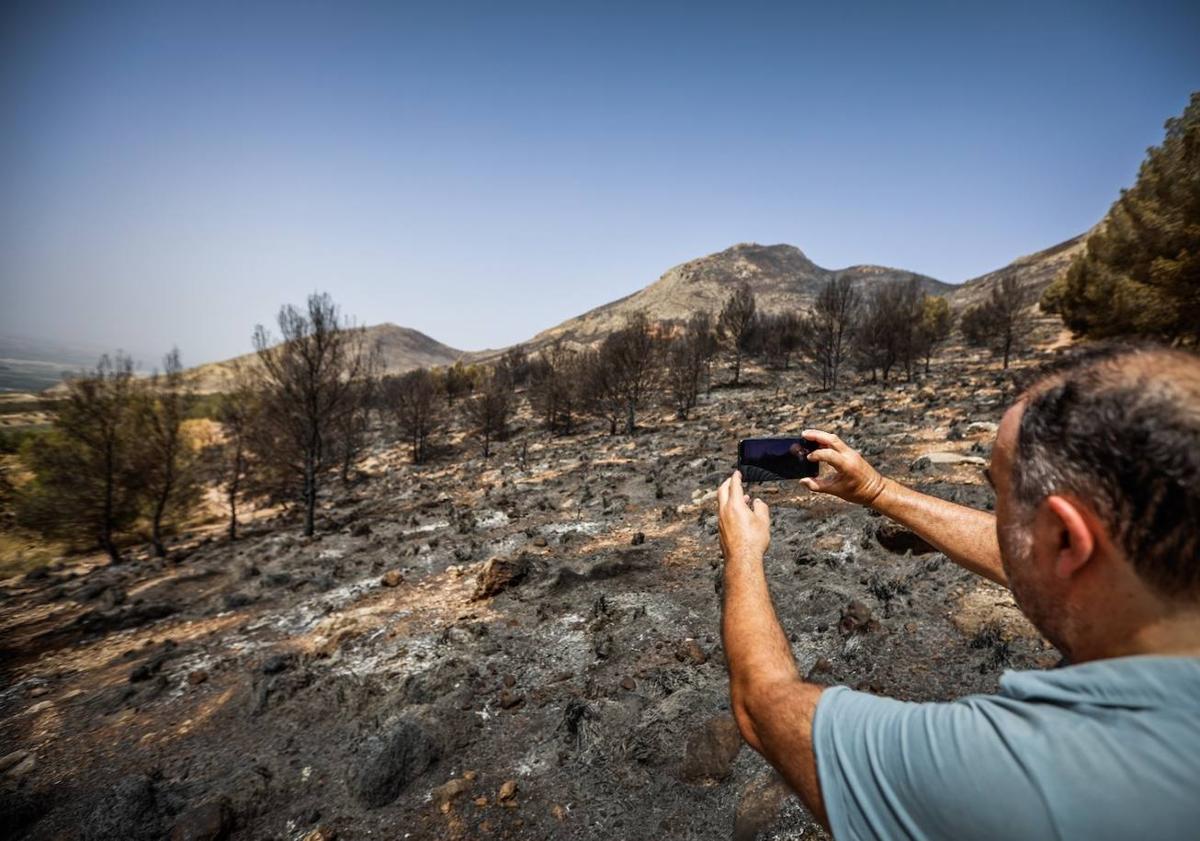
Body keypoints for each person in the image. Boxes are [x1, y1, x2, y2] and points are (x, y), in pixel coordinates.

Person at [716, 343, 1200, 840]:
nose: (998, 519)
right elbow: (1025, 556)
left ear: (1066, 539)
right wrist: (878, 491)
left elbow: (764, 707)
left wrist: (744, 555)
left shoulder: (1022, 769)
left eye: (1000, 496)